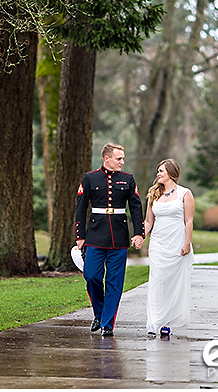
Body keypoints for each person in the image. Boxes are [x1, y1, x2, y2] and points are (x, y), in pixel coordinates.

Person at [74, 143, 145, 337]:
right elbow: (80, 208)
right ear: (107, 158)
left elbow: (136, 207)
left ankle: (107, 324)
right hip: (95, 236)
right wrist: (80, 236)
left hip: (119, 237)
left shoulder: (128, 179)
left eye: (123, 158)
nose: (122, 162)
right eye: (118, 158)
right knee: (92, 276)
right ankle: (99, 313)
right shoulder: (90, 178)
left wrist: (139, 233)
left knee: (114, 282)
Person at [144, 158, 194, 338]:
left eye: (161, 171)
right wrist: (140, 236)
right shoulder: (153, 195)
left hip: (177, 242)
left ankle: (167, 322)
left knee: (172, 283)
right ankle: (153, 322)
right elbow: (149, 220)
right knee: (157, 281)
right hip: (158, 243)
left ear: (172, 173)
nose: (158, 174)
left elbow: (188, 220)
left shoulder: (185, 194)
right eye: (157, 171)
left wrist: (187, 243)